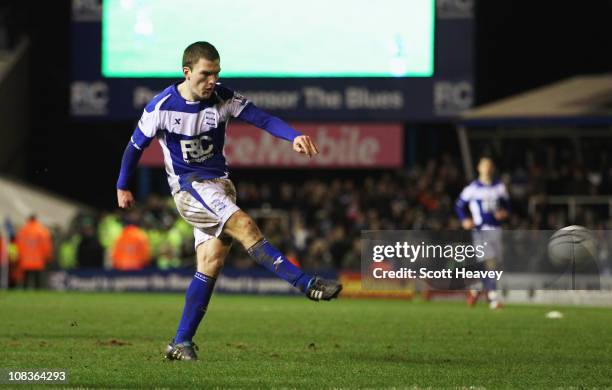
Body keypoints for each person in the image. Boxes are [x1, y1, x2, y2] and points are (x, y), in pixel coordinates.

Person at [116, 41, 342, 361]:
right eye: (206, 74)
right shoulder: (161, 107)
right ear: (187, 71)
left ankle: (180, 342)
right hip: (189, 188)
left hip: (220, 186)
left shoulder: (223, 97)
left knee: (211, 263)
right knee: (245, 225)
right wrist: (123, 185)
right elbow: (134, 147)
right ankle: (306, 283)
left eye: (217, 73)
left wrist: (293, 136)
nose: (212, 80)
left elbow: (262, 118)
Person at [455, 157, 510, 309]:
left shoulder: (499, 187)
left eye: (489, 165)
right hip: (480, 229)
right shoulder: (472, 188)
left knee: (494, 265)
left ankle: (477, 288)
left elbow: (508, 206)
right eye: (484, 165)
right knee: (490, 262)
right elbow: (459, 206)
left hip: (497, 229)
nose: (487, 168)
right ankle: (493, 299)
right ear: (479, 168)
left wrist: (504, 212)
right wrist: (465, 220)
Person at [15, 215, 53, 289]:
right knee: (37, 279)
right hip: (38, 260)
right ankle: (38, 291)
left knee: (25, 278)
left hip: (25, 260)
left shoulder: (22, 230)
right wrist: (48, 256)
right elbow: (46, 246)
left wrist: (18, 256)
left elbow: (18, 245)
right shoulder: (42, 230)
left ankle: (24, 291)